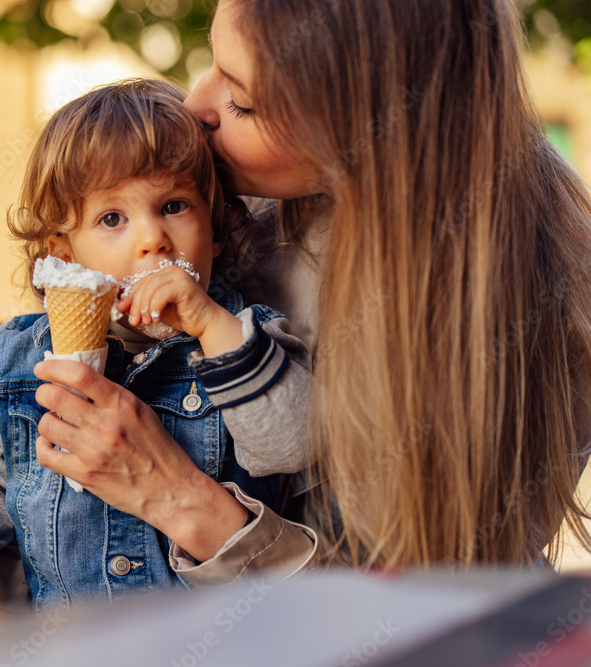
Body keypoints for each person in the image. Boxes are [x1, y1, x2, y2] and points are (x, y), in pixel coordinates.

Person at [32, 0, 591, 573]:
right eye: (213, 62)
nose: (195, 104)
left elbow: (410, 609)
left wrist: (183, 503)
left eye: (242, 101)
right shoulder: (233, 205)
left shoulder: (547, 297)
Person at [0, 79, 318, 647]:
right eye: (112, 219)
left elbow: (293, 443)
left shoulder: (246, 338)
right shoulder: (25, 357)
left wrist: (210, 323)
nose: (153, 239)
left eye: (174, 206)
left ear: (215, 233)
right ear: (63, 255)